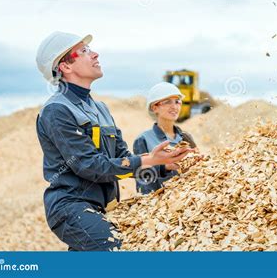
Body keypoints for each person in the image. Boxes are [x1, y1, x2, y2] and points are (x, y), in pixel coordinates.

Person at [35, 32, 191, 251]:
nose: (95, 54)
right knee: (112, 245)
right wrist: (147, 159)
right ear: (65, 66)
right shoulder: (57, 111)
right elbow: (90, 166)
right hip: (71, 207)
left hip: (100, 207)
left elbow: (123, 161)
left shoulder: (101, 109)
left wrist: (159, 162)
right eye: (84, 51)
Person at [133, 82, 197, 194]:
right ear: (154, 108)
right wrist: (165, 167)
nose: (174, 106)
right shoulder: (143, 140)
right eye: (167, 102)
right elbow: (144, 183)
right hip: (161, 205)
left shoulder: (186, 138)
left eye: (177, 102)